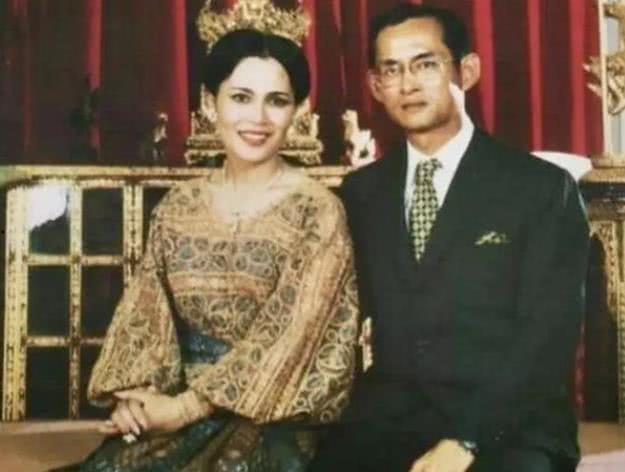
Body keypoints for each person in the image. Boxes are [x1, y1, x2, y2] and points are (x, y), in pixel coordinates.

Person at [310, 4, 589, 472]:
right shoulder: (361, 193)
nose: (407, 84)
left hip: (511, 423)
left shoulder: (540, 189)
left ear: (468, 70)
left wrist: (467, 439)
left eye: (425, 64)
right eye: (391, 70)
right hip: (392, 420)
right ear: (376, 86)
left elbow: (547, 337)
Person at [73, 29, 359, 471]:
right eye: (241, 97)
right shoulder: (177, 207)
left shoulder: (317, 211)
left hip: (275, 415)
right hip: (176, 410)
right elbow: (145, 316)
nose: (258, 118)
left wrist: (185, 409)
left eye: (277, 101)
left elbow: (293, 339)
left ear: (298, 111)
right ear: (210, 104)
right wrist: (137, 400)